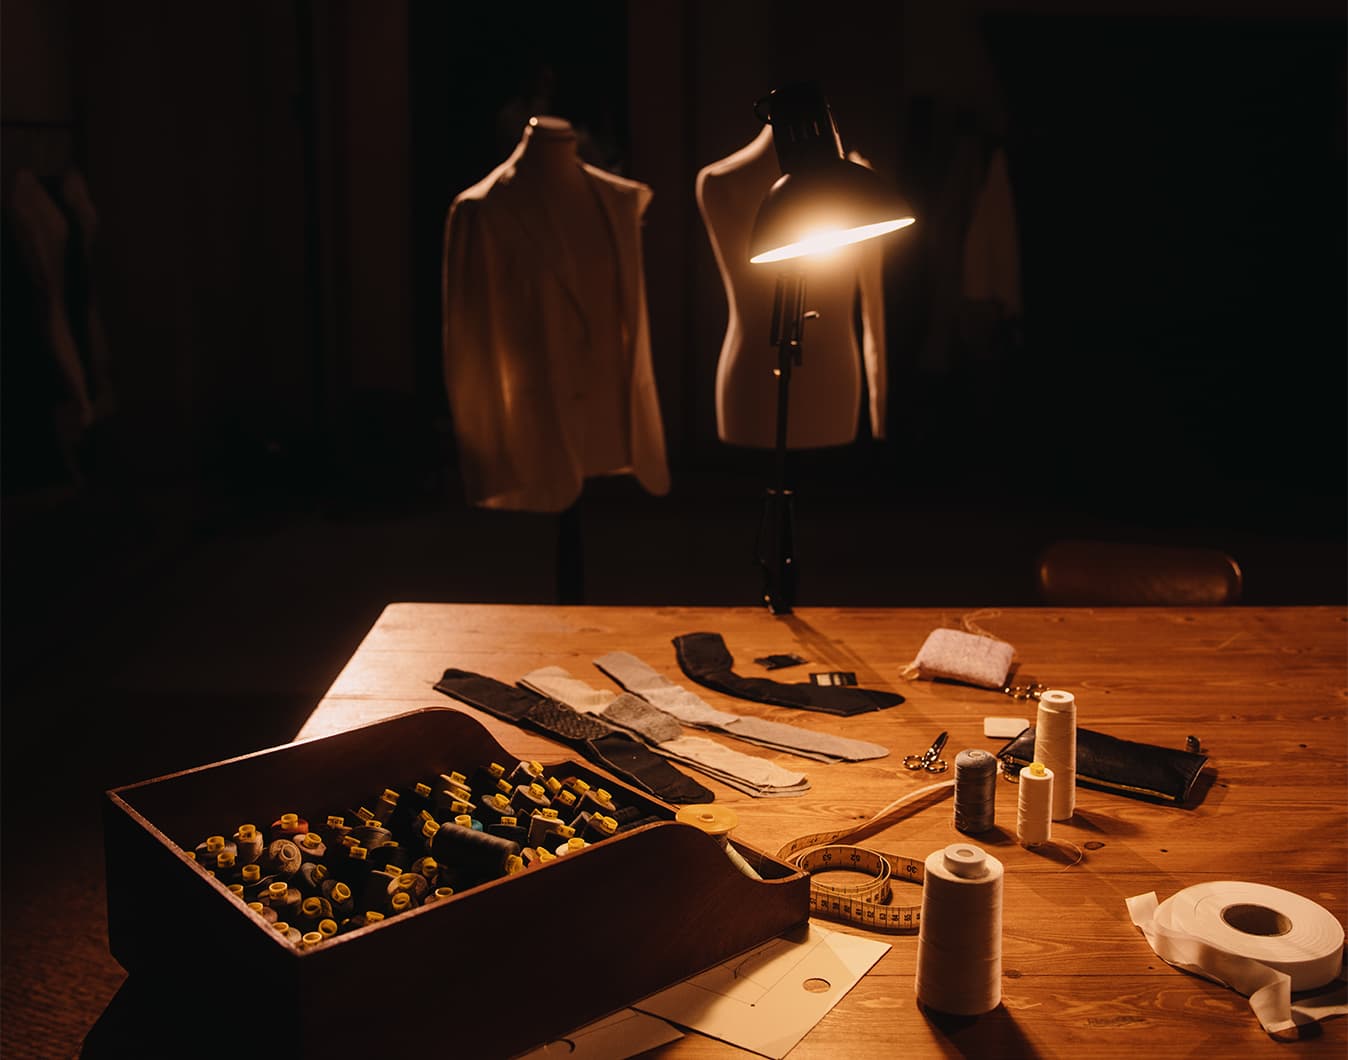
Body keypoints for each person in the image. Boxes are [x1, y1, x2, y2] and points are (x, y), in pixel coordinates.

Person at [441, 116, 670, 513]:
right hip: (533, 424)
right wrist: (487, 460)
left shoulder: (619, 200)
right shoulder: (483, 208)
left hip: (610, 418)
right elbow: (470, 350)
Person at [696, 123, 889, 450]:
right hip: (752, 376)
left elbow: (874, 307)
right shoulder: (717, 182)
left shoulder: (858, 184)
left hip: (834, 377)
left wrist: (878, 406)